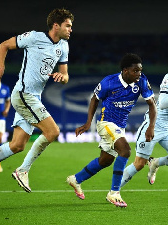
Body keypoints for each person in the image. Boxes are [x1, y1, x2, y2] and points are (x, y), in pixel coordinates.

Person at [0, 8, 74, 193]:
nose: (71, 29)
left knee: (17, 145)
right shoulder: (33, 37)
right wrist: (0, 68)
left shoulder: (63, 46)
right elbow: (4, 45)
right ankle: (23, 170)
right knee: (53, 132)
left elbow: (65, 76)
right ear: (56, 26)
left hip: (34, 97)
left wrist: (61, 77)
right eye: (68, 25)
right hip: (24, 94)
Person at [66, 53, 156, 208]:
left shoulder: (141, 81)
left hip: (120, 126)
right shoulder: (109, 82)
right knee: (125, 151)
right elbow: (94, 99)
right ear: (125, 70)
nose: (139, 74)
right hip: (106, 123)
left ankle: (75, 179)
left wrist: (151, 127)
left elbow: (152, 105)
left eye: (140, 70)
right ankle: (114, 193)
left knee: (105, 160)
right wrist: (88, 123)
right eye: (135, 71)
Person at [120, 49, 168, 188]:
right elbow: (162, 103)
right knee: (139, 164)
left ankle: (156, 162)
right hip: (154, 126)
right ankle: (114, 190)